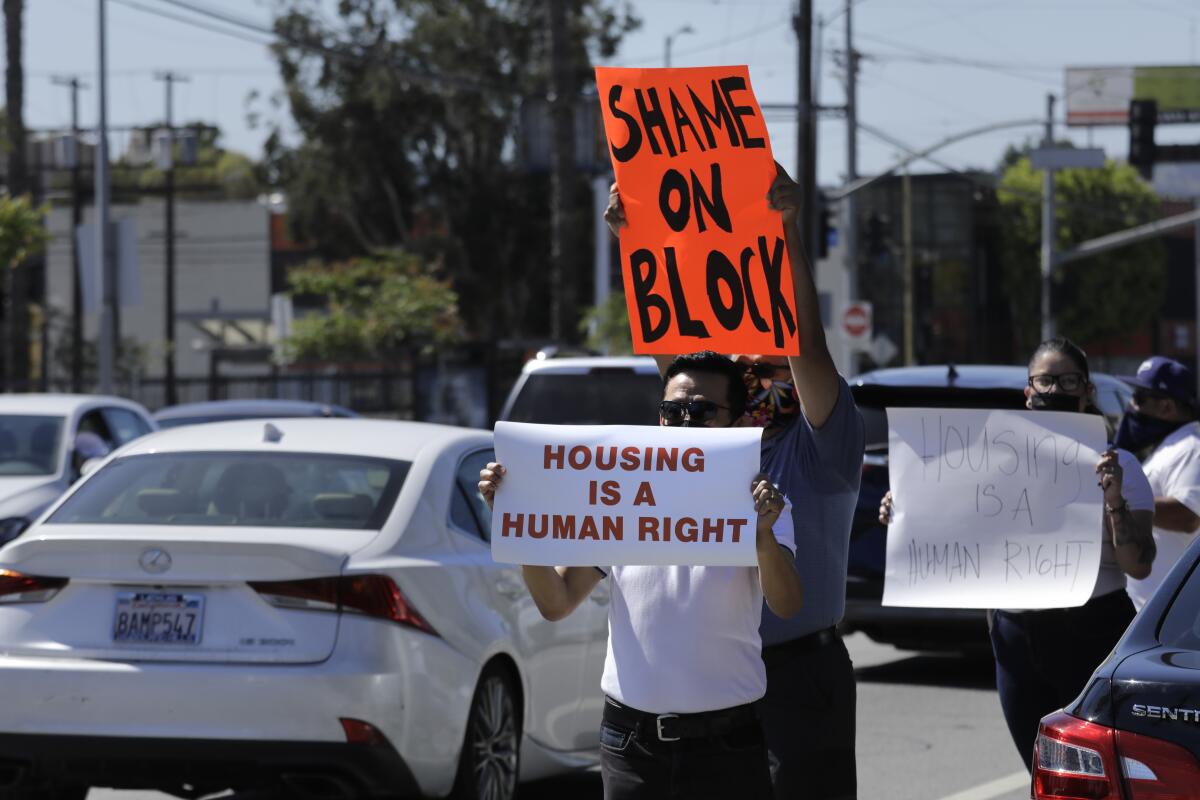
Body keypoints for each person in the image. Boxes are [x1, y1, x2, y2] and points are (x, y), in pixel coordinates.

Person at [604, 164, 865, 800]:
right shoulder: (706, 449)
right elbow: (678, 366)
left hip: (800, 675)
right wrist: (631, 239)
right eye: (752, 369)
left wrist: (786, 232)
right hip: (719, 697)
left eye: (779, 367)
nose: (767, 374)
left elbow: (807, 343)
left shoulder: (821, 450)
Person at [479, 351, 804, 800]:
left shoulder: (764, 504)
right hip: (631, 745)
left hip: (727, 746)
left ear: (737, 422)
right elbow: (556, 602)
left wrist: (763, 536)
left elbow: (787, 603)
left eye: (703, 411)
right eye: (674, 411)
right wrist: (515, 521)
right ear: (660, 417)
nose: (686, 422)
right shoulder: (623, 499)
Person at [879, 337, 1156, 769]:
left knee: (1093, 774)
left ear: (1087, 392)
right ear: (1028, 392)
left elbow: (1139, 564)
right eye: (1045, 380)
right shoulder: (988, 461)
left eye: (1068, 380)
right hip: (1013, 636)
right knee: (1040, 771)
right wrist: (906, 508)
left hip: (1089, 629)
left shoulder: (1117, 465)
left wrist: (1114, 501)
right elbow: (950, 515)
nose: (1055, 390)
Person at [1117, 356, 1200, 610]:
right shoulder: (1171, 446)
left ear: (1166, 407)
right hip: (1147, 610)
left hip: (1166, 615)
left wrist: (1118, 503)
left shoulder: (1193, 448)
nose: (1132, 405)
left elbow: (1188, 515)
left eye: (1140, 398)